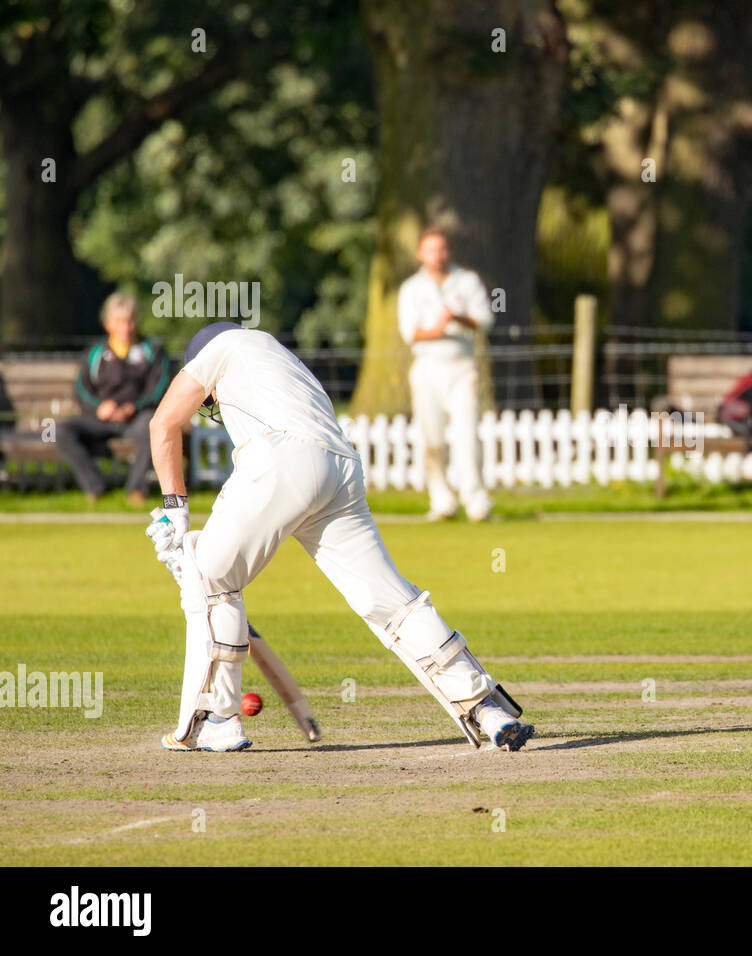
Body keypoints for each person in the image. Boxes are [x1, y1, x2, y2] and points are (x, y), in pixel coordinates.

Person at [144, 322, 533, 753]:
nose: (212, 402)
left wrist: (176, 518)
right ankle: (485, 706)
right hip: (340, 468)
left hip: (282, 458)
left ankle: (218, 719)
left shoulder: (217, 349)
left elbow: (163, 425)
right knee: (392, 604)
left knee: (210, 579)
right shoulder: (279, 356)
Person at [398, 227, 494, 522]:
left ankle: (476, 501)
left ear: (448, 252)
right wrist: (437, 330)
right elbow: (410, 333)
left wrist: (457, 318)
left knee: (467, 434)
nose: (436, 256)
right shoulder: (412, 288)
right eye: (430, 250)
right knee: (432, 438)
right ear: (420, 254)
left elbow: (485, 320)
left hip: (461, 366)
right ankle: (442, 501)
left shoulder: (466, 281)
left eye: (441, 250)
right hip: (427, 368)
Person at [59, 293, 169, 504]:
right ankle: (96, 488)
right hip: (100, 420)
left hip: (136, 419)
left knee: (152, 425)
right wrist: (98, 407)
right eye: (119, 322)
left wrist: (132, 408)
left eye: (129, 321)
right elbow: (81, 388)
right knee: (60, 431)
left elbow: (159, 388)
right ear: (107, 324)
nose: (125, 328)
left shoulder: (153, 350)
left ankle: (136, 491)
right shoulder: (95, 353)